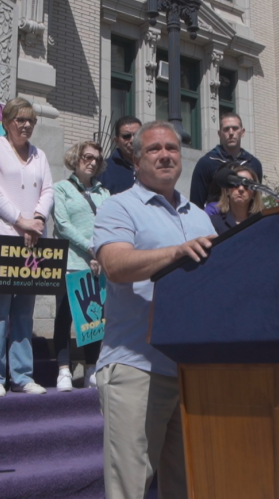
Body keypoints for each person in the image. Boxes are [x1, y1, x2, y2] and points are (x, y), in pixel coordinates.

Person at [92, 121, 216, 499]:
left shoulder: (199, 216)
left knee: (186, 485)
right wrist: (176, 253)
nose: (165, 155)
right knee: (129, 486)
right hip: (136, 365)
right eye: (154, 149)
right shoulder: (118, 206)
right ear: (136, 158)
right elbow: (115, 264)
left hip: (190, 370)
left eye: (172, 149)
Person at [0, 98, 53, 397]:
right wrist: (19, 220)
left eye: (31, 120)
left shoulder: (39, 155)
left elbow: (47, 190)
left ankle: (22, 374)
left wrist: (37, 218)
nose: (26, 125)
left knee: (24, 310)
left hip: (32, 241)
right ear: (6, 121)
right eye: (20, 120)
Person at [52, 141, 110, 391]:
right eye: (87, 157)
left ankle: (90, 368)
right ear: (76, 159)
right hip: (69, 263)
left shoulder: (104, 193)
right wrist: (90, 247)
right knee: (64, 317)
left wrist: (101, 252)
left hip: (96, 265)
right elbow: (63, 225)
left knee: (92, 319)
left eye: (97, 159)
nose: (92, 162)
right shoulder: (62, 188)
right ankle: (64, 369)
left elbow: (108, 225)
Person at [189, 113, 263, 209]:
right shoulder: (206, 162)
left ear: (243, 132)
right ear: (220, 134)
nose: (231, 132)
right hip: (215, 221)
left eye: (235, 128)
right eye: (226, 129)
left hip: (247, 221)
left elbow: (256, 199)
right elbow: (196, 205)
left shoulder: (254, 164)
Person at [209, 164, 263, 235]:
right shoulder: (213, 223)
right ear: (228, 190)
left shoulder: (261, 224)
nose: (241, 189)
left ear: (254, 193)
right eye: (236, 183)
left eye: (247, 184)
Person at [99, 116, 141, 195]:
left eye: (137, 135)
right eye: (126, 136)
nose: (132, 140)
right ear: (117, 141)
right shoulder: (103, 170)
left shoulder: (153, 166)